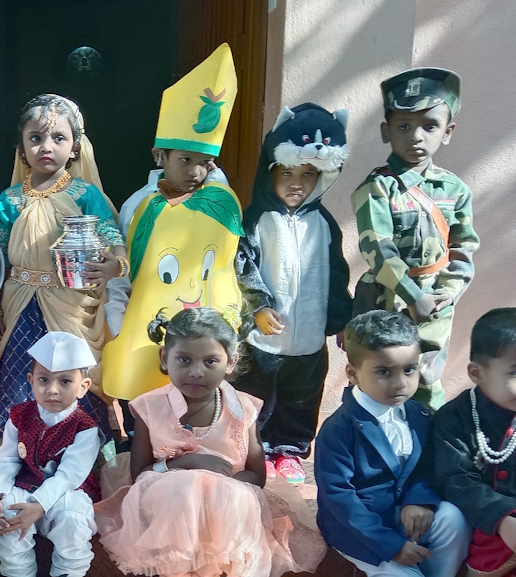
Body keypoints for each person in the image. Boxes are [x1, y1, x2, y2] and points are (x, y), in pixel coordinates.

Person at [265, 311, 469, 577]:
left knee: (453, 519)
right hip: (360, 528)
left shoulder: (420, 415)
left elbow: (427, 467)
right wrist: (391, 546)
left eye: (409, 370)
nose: (400, 383)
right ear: (352, 373)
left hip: (404, 515)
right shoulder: (339, 428)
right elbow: (339, 497)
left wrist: (418, 499)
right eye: (384, 372)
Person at [95, 307, 294, 577]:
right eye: (184, 360)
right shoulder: (149, 406)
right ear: (164, 359)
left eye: (210, 361)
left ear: (231, 361)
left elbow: (256, 477)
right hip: (163, 497)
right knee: (182, 489)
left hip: (226, 505)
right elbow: (140, 473)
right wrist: (188, 465)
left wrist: (215, 486)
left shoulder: (243, 408)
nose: (196, 371)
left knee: (221, 495)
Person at [0, 94, 125, 465]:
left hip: (71, 307)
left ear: (75, 147)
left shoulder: (87, 196)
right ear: (21, 147)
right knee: (20, 377)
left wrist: (115, 266)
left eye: (58, 138)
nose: (46, 147)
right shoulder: (9, 200)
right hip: (19, 305)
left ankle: (79, 467)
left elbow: (113, 240)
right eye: (36, 138)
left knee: (72, 379)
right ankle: (20, 464)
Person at [102, 43, 246, 403]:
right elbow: (123, 275)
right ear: (159, 155)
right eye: (185, 159)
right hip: (150, 340)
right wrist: (121, 326)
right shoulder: (139, 206)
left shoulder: (216, 205)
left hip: (201, 348)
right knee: (148, 410)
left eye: (205, 162)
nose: (195, 171)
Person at [232, 103, 354, 483]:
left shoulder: (324, 224)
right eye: (287, 172)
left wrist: (340, 320)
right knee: (257, 395)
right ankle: (256, 447)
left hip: (309, 336)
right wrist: (258, 307)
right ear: (270, 170)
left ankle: (289, 449)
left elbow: (336, 273)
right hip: (264, 336)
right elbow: (243, 267)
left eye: (308, 174)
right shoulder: (256, 220)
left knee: (301, 395)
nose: (297, 183)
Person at [352, 68, 478, 411]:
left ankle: (426, 442)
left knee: (426, 382)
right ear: (386, 131)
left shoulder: (455, 190)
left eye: (430, 126)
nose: (416, 137)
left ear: (448, 132)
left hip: (434, 304)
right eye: (404, 126)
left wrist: (447, 294)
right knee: (376, 381)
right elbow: (378, 248)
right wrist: (414, 297)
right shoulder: (377, 188)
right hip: (385, 300)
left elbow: (463, 248)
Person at [0, 332, 102, 577]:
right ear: (31, 380)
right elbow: (7, 460)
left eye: (65, 381)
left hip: (67, 492)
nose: (52, 390)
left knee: (73, 518)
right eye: (43, 380)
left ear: (83, 386)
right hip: (26, 486)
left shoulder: (85, 427)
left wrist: (39, 506)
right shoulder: (18, 416)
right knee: (9, 511)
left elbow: (69, 475)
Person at [428, 307, 516, 577]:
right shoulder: (456, 418)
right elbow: (454, 479)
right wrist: (502, 517)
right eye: (515, 372)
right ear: (476, 373)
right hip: (478, 520)